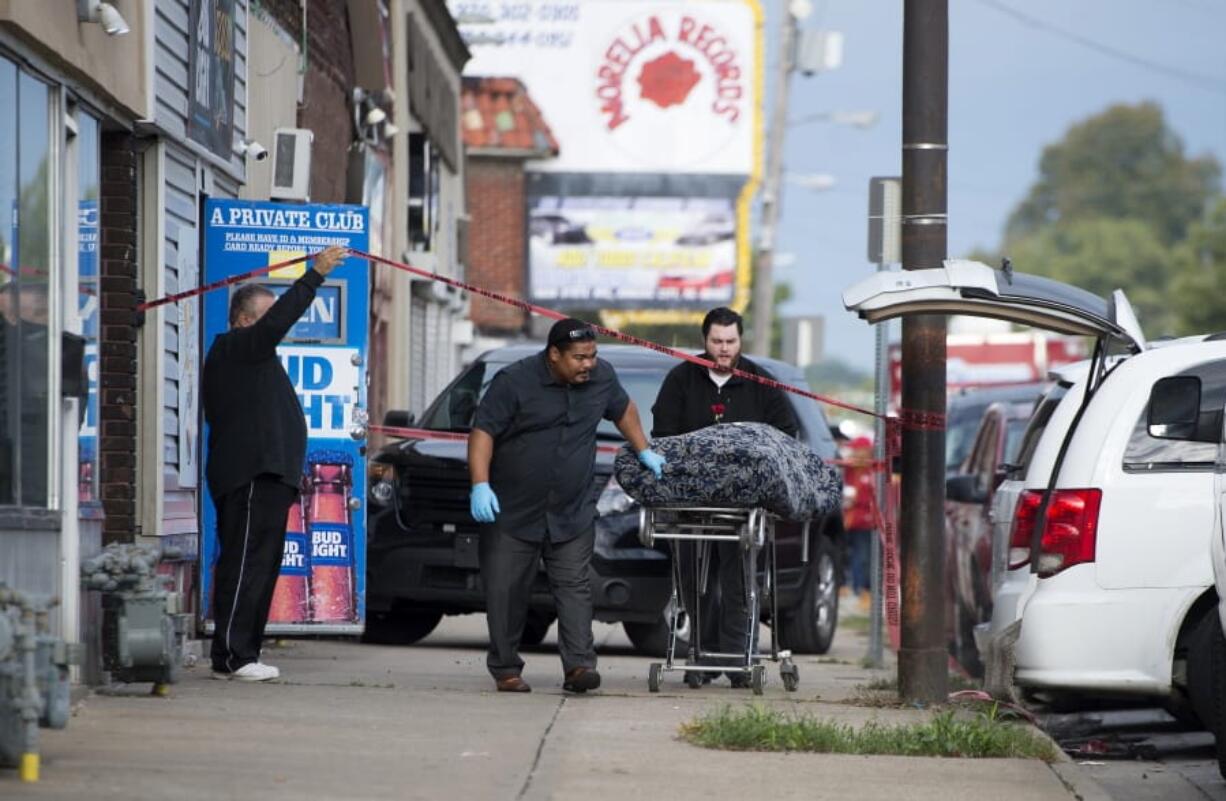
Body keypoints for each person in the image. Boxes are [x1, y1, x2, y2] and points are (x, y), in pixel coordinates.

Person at [469, 318, 665, 693]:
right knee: (506, 591)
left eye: (592, 355)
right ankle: (506, 669)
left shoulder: (601, 378)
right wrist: (480, 485)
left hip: (571, 511)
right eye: (579, 358)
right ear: (554, 355)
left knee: (575, 589)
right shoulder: (514, 382)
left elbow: (623, 409)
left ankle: (579, 668)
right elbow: (483, 432)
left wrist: (644, 450)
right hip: (512, 510)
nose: (588, 364)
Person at [204, 245, 346, 681]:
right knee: (245, 563)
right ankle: (232, 655)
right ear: (246, 321)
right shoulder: (237, 348)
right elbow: (279, 320)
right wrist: (315, 274)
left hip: (268, 479)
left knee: (261, 566)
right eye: (265, 319)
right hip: (249, 475)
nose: (276, 328)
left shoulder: (255, 358)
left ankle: (246, 651)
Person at [650, 306, 798, 686]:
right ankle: (700, 656)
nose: (724, 349)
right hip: (691, 506)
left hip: (743, 509)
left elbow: (785, 434)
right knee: (695, 585)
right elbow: (663, 434)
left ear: (740, 341)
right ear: (705, 341)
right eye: (717, 341)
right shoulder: (681, 379)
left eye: (730, 341)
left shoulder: (761, 383)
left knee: (739, 584)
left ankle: (737, 662)